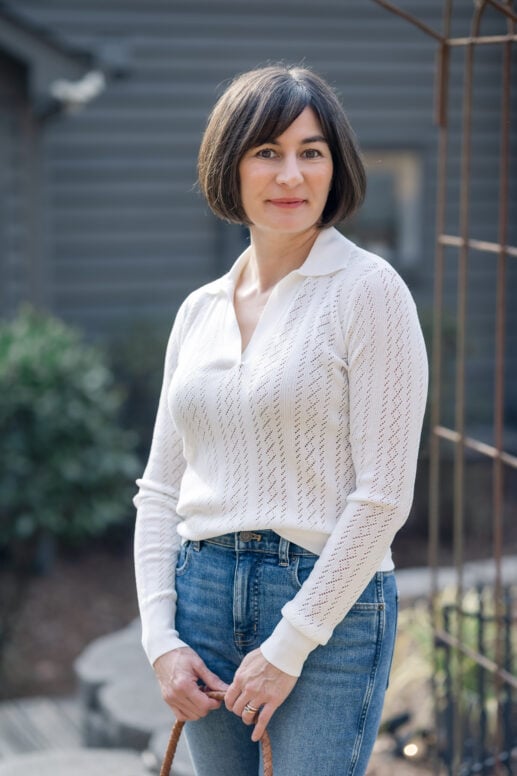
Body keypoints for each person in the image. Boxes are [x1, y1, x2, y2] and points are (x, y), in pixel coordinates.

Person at [134, 64, 428, 776]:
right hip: (201, 597)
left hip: (328, 607)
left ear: (336, 165)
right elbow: (159, 491)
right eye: (267, 151)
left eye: (311, 151)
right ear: (230, 165)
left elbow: (383, 497)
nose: (291, 175)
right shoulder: (198, 311)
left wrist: (290, 644)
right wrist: (161, 640)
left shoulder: (370, 292)